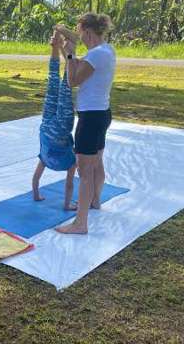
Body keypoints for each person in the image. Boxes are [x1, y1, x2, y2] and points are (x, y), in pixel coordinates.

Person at [55, 13, 115, 235]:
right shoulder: (106, 50)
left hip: (90, 119)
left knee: (85, 171)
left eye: (80, 32)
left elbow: (72, 80)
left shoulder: (97, 55)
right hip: (102, 115)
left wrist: (70, 55)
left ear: (88, 32)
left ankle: (80, 223)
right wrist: (66, 52)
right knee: (96, 163)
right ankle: (95, 201)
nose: (79, 36)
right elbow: (80, 65)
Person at [32, 30, 78, 210]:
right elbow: (35, 180)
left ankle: (69, 51)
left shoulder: (70, 162)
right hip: (46, 125)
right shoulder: (44, 157)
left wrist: (68, 205)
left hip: (61, 127)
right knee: (53, 80)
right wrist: (36, 195)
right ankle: (56, 45)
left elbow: (69, 185)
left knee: (65, 85)